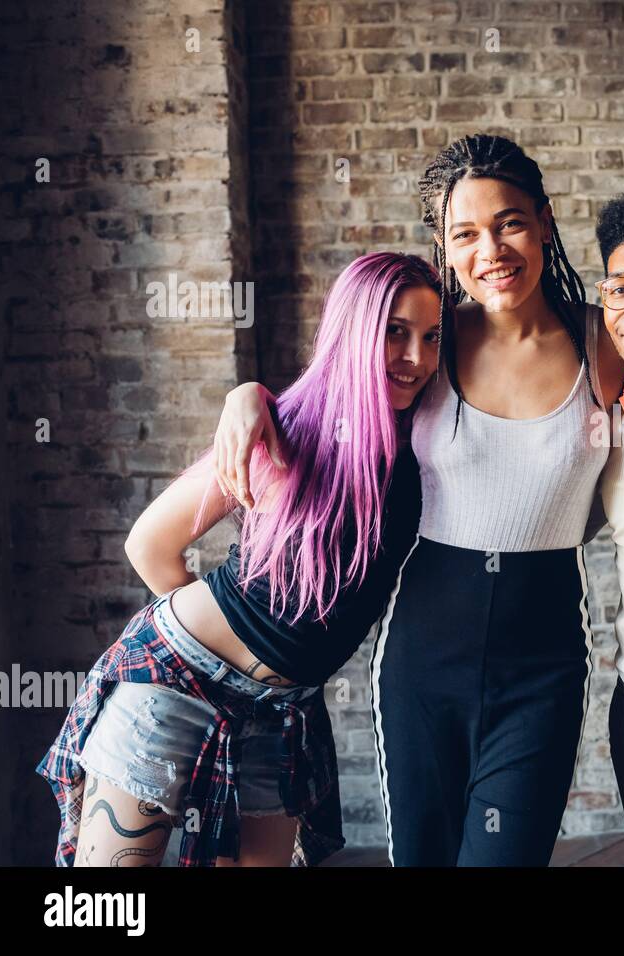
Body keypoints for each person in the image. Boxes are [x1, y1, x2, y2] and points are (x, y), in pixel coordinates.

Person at [213, 134, 624, 866]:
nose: (492, 249)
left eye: (508, 223)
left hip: (544, 663)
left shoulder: (601, 339)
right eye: (464, 233)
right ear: (443, 243)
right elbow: (329, 401)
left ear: (544, 220)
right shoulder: (427, 344)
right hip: (420, 661)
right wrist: (249, 397)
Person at [36, 252, 442, 866]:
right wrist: (214, 644)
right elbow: (149, 543)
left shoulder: (431, 440)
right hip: (175, 680)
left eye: (431, 337)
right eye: (394, 331)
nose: (415, 357)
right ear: (354, 331)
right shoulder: (285, 429)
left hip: (284, 711)